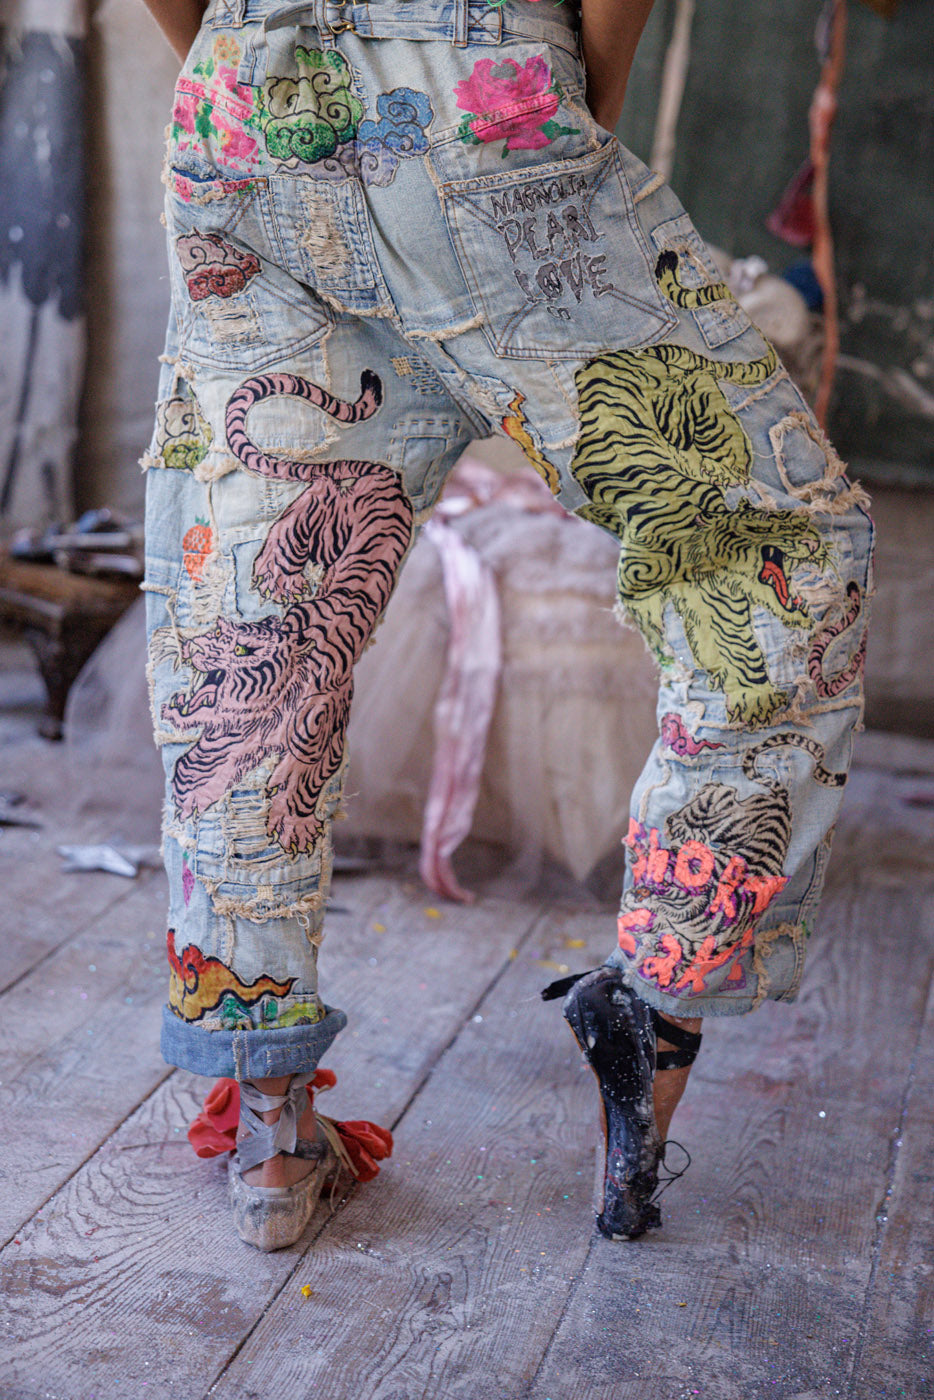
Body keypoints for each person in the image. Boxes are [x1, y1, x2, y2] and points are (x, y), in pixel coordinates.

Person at [140, 0, 873, 1249]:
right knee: (781, 546)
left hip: (242, 107)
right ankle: (655, 1020)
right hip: (480, 87)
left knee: (254, 628)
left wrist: (248, 64)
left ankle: (268, 1131)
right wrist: (551, 93)